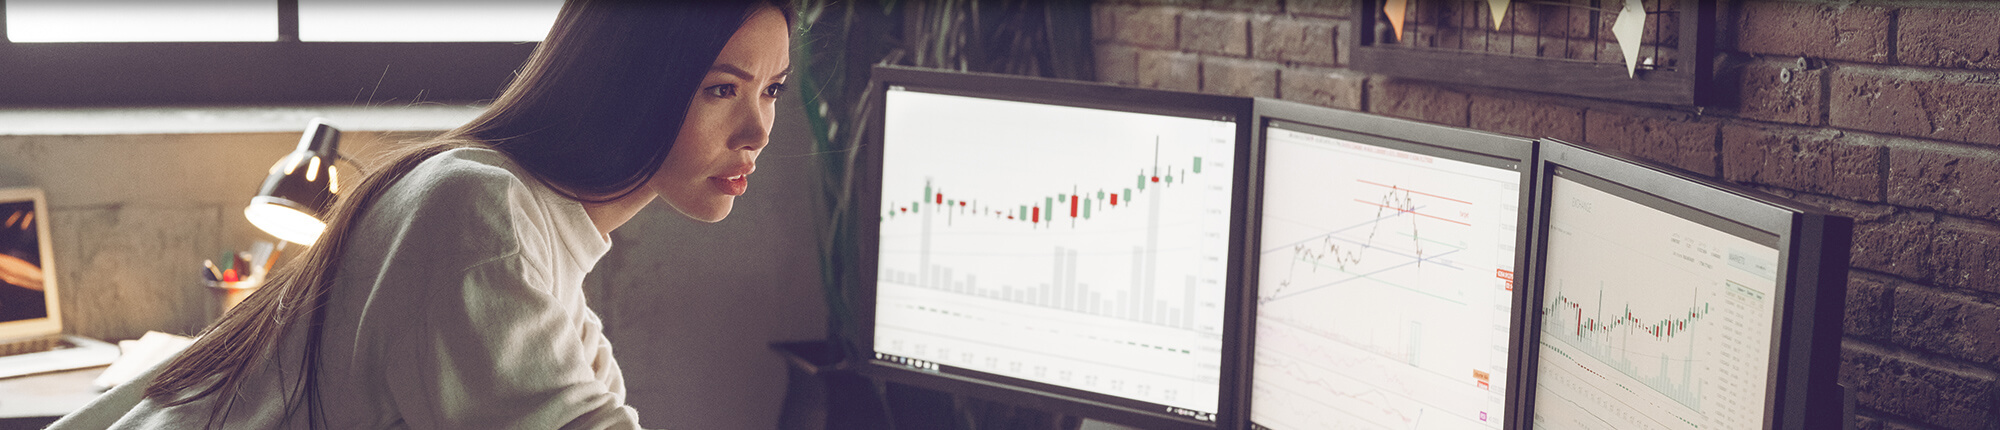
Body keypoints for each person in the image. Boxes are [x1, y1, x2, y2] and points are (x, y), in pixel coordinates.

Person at [50, 0, 792, 428]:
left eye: (773, 90)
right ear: (633, 82)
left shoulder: (535, 233)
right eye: (723, 90)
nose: (758, 131)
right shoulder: (481, 213)